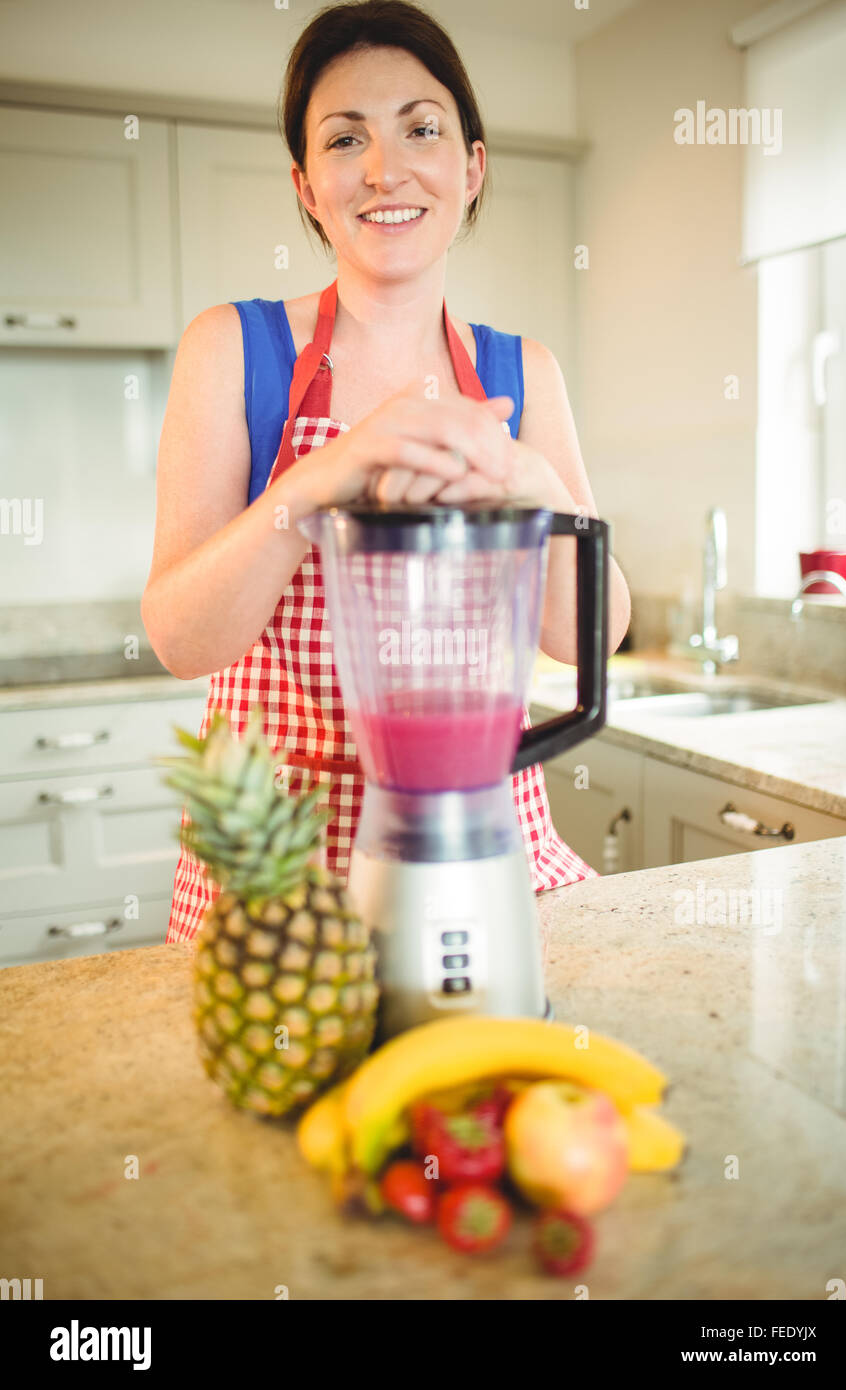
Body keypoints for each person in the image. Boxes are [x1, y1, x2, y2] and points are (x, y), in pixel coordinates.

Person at [141, 0, 631, 944]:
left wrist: (533, 487)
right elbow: (180, 638)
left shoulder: (522, 375)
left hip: (479, 848)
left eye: (422, 128)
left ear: (471, 165)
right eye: (344, 139)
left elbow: (589, 638)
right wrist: (323, 477)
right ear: (305, 186)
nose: (383, 169)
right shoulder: (233, 350)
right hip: (280, 882)